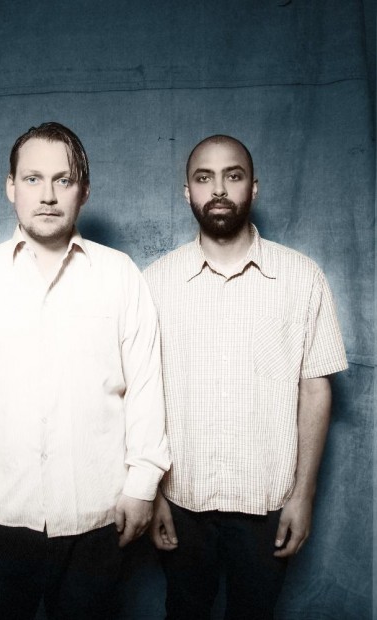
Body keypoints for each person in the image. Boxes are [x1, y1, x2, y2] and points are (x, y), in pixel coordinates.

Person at [0, 121, 169, 620]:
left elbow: (146, 386)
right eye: (33, 179)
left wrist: (142, 485)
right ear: (10, 186)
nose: (48, 196)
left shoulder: (120, 274)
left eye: (64, 180)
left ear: (85, 190)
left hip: (98, 515)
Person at [144, 134, 348, 620]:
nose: (218, 189)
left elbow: (315, 389)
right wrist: (151, 495)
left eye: (232, 176)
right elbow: (141, 394)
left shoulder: (303, 277)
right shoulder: (154, 282)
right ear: (187, 192)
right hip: (182, 499)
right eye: (204, 177)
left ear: (253, 187)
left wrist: (303, 496)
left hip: (268, 503)